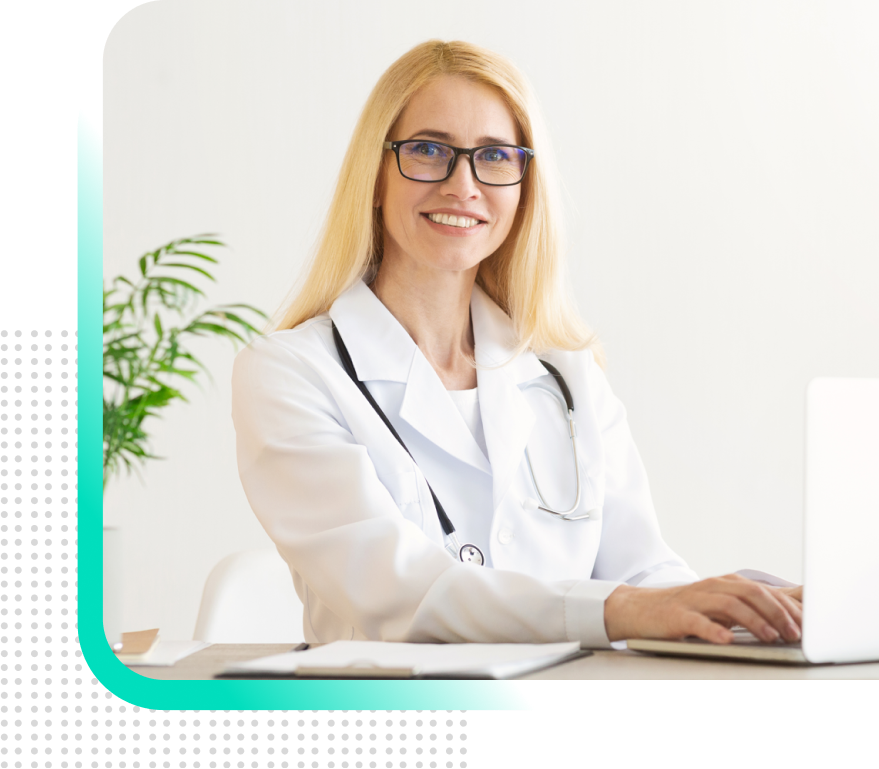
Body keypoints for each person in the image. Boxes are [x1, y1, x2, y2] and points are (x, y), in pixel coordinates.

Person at [231, 39, 802, 648]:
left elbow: (642, 573)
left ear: (525, 186)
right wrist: (624, 609)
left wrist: (744, 612)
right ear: (374, 175)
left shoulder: (567, 376)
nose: (463, 184)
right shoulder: (290, 372)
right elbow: (402, 595)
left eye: (496, 157)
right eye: (428, 150)